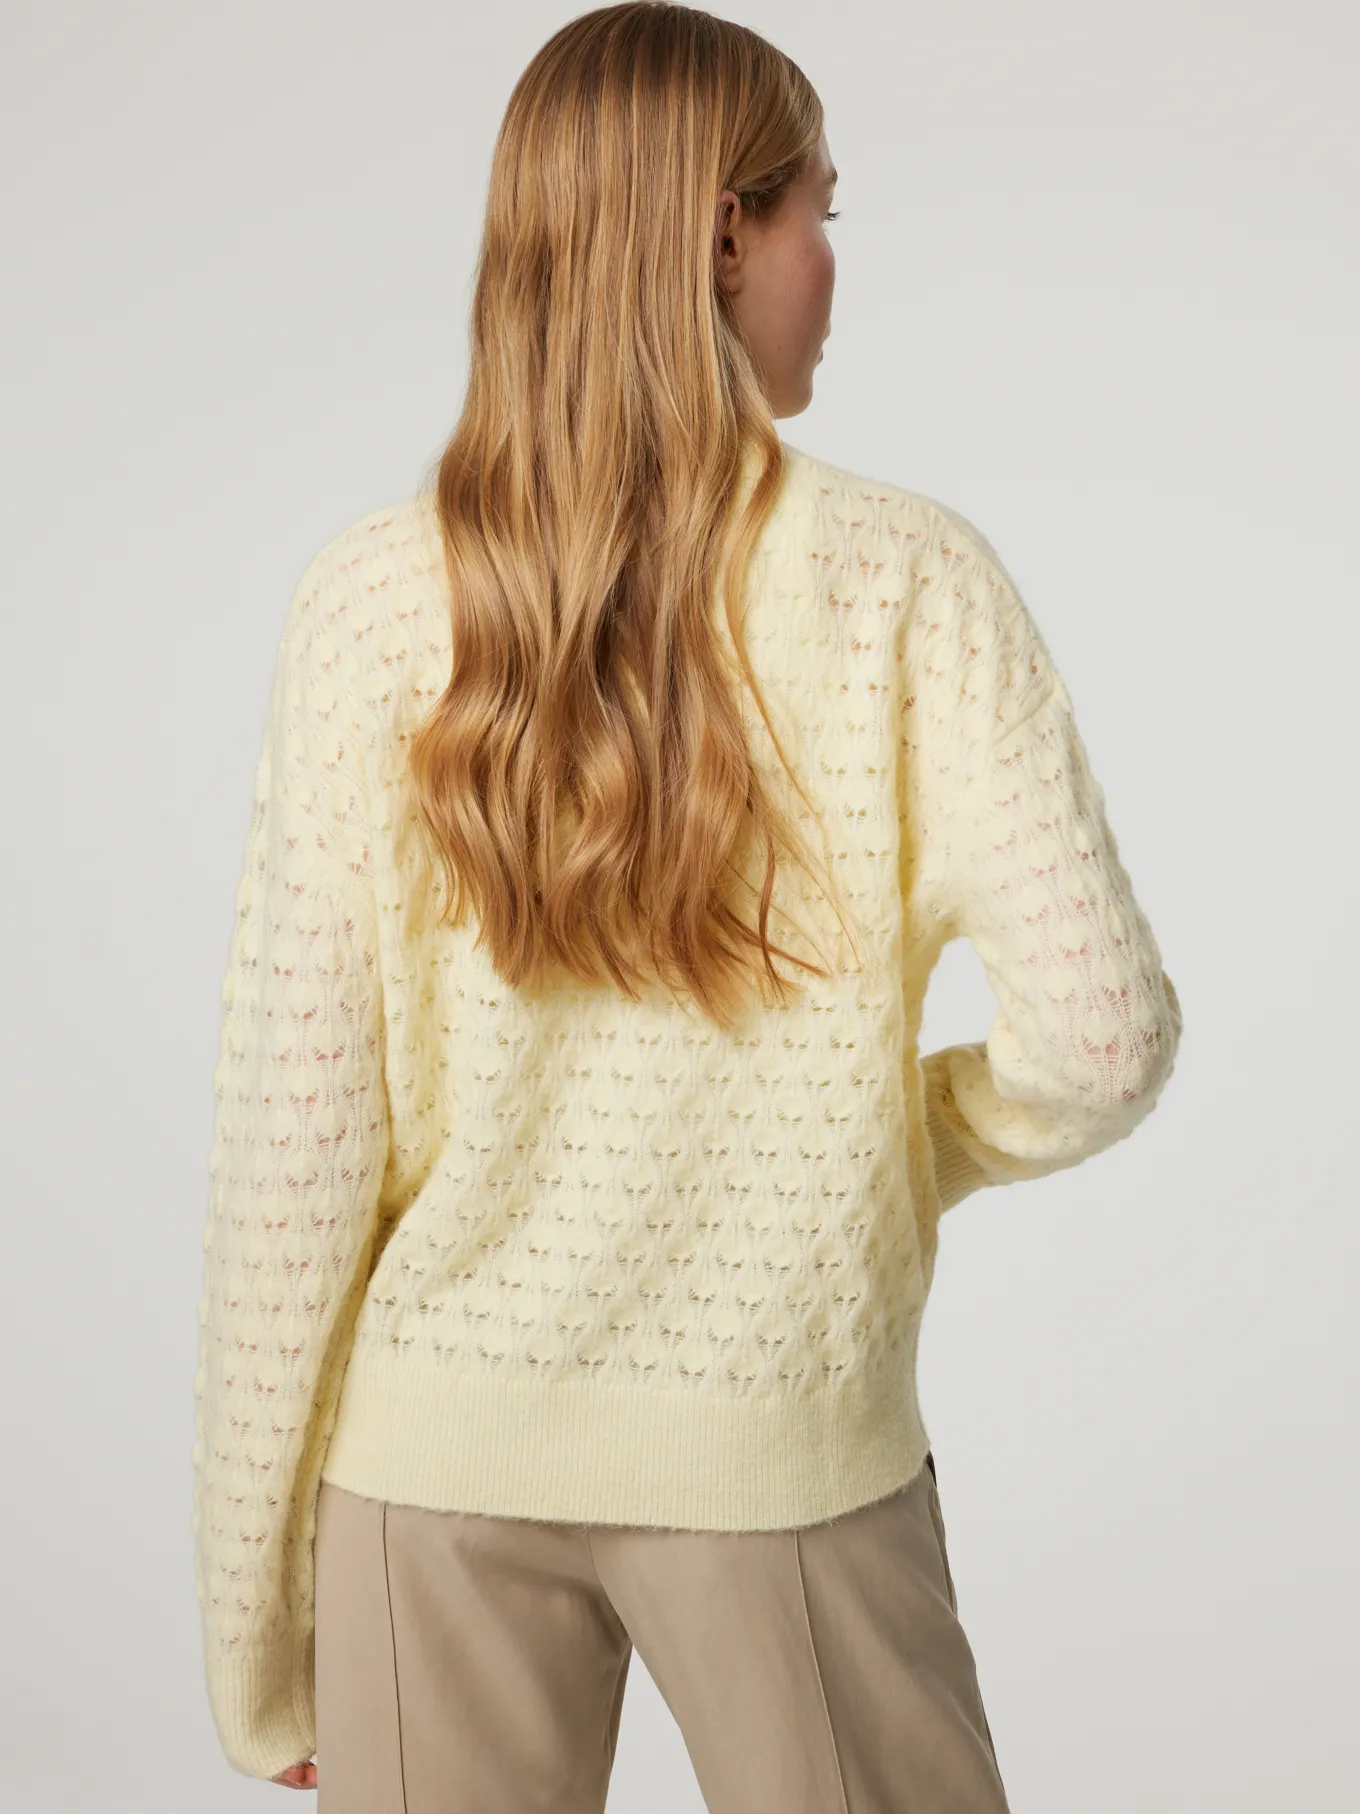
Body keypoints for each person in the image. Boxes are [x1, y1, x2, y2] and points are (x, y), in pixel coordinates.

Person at [190, 5, 1183, 1809]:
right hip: (780, 1445)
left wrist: (259, 1636)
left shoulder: (368, 604)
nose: (832, 263)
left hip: (428, 1478)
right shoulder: (907, 580)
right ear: (725, 236)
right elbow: (1104, 1038)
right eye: (821, 210)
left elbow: (294, 1155)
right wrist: (908, 1143)